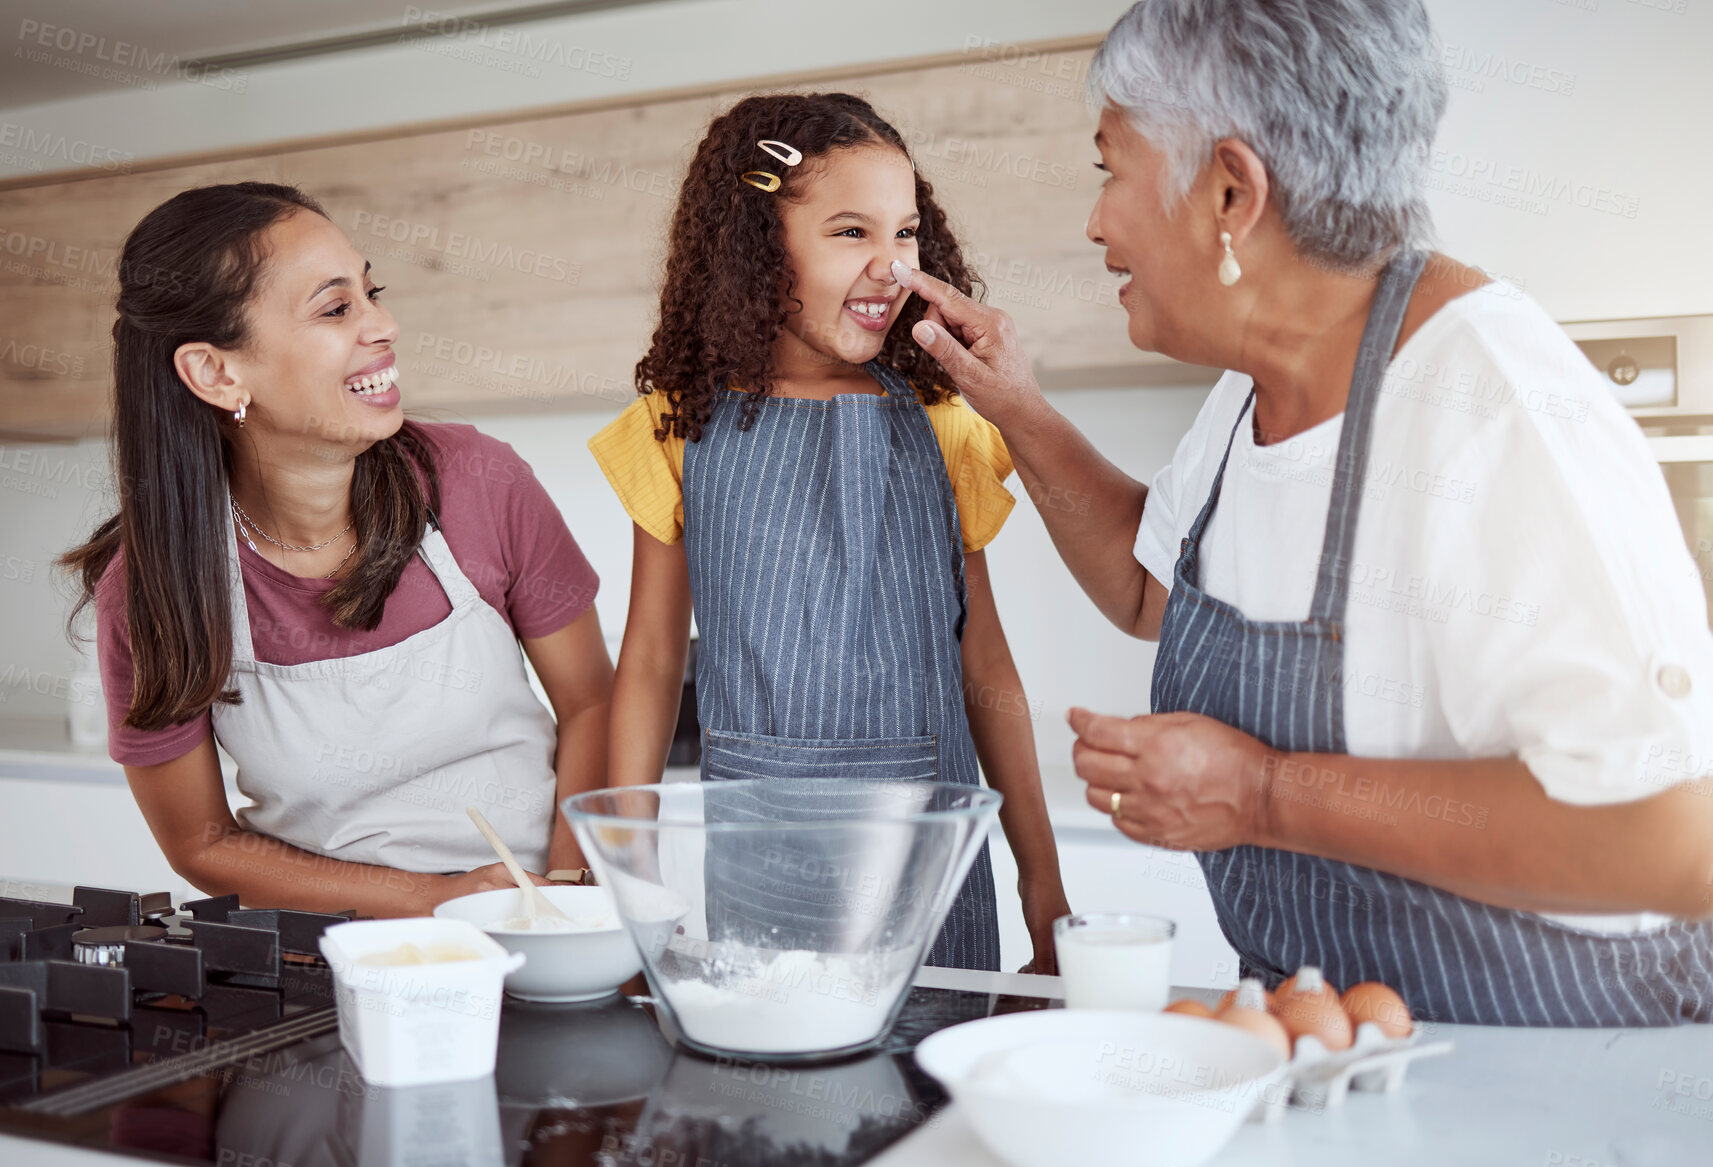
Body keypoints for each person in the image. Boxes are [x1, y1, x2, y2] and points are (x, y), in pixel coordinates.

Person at [891, 0, 1713, 1023]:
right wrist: (1013, 403)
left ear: (1232, 190)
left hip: (1554, 1063)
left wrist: (1262, 795)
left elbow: (1674, 842)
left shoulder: (1495, 406)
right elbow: (1151, 587)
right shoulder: (1257, 385)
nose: (1097, 221)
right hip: (1338, 1056)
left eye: (1111, 169)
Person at [588, 93, 1070, 972]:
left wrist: (1042, 885)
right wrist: (631, 872)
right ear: (757, 249)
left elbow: (984, 664)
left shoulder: (945, 424)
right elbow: (652, 660)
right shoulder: (674, 427)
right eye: (851, 233)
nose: (890, 266)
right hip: (763, 852)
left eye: (906, 233)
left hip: (931, 845)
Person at [62, 182, 613, 916]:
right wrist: (438, 898)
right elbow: (201, 842)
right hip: (330, 954)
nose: (383, 323)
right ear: (217, 372)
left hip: (542, 917)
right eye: (336, 307)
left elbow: (592, 703)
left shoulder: (477, 483)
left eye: (371, 290)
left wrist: (567, 904)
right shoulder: (151, 589)